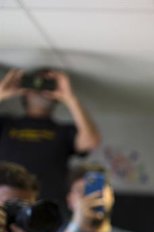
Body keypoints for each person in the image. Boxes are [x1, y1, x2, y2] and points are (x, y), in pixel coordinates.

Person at [0, 68, 100, 207]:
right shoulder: (5, 124)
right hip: (7, 203)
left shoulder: (63, 131)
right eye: (37, 84)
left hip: (49, 208)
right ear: (26, 90)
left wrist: (69, 98)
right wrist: (1, 93)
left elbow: (91, 142)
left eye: (47, 84)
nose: (41, 89)